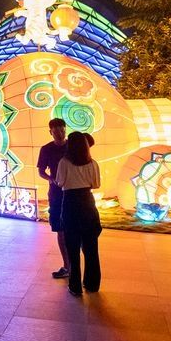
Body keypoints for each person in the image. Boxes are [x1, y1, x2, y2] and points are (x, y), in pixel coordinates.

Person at [56, 131, 103, 296]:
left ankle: (75, 286)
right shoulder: (92, 163)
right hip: (87, 202)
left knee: (72, 247)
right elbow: (96, 184)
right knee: (91, 247)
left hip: (70, 202)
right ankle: (92, 284)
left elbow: (60, 182)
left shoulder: (64, 162)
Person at [37, 117, 72, 279]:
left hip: (72, 191)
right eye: (56, 130)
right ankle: (67, 265)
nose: (60, 133)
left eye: (62, 130)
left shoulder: (73, 146)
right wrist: (51, 179)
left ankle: (73, 265)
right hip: (56, 193)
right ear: (50, 132)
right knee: (60, 229)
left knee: (73, 229)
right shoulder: (46, 149)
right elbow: (41, 171)